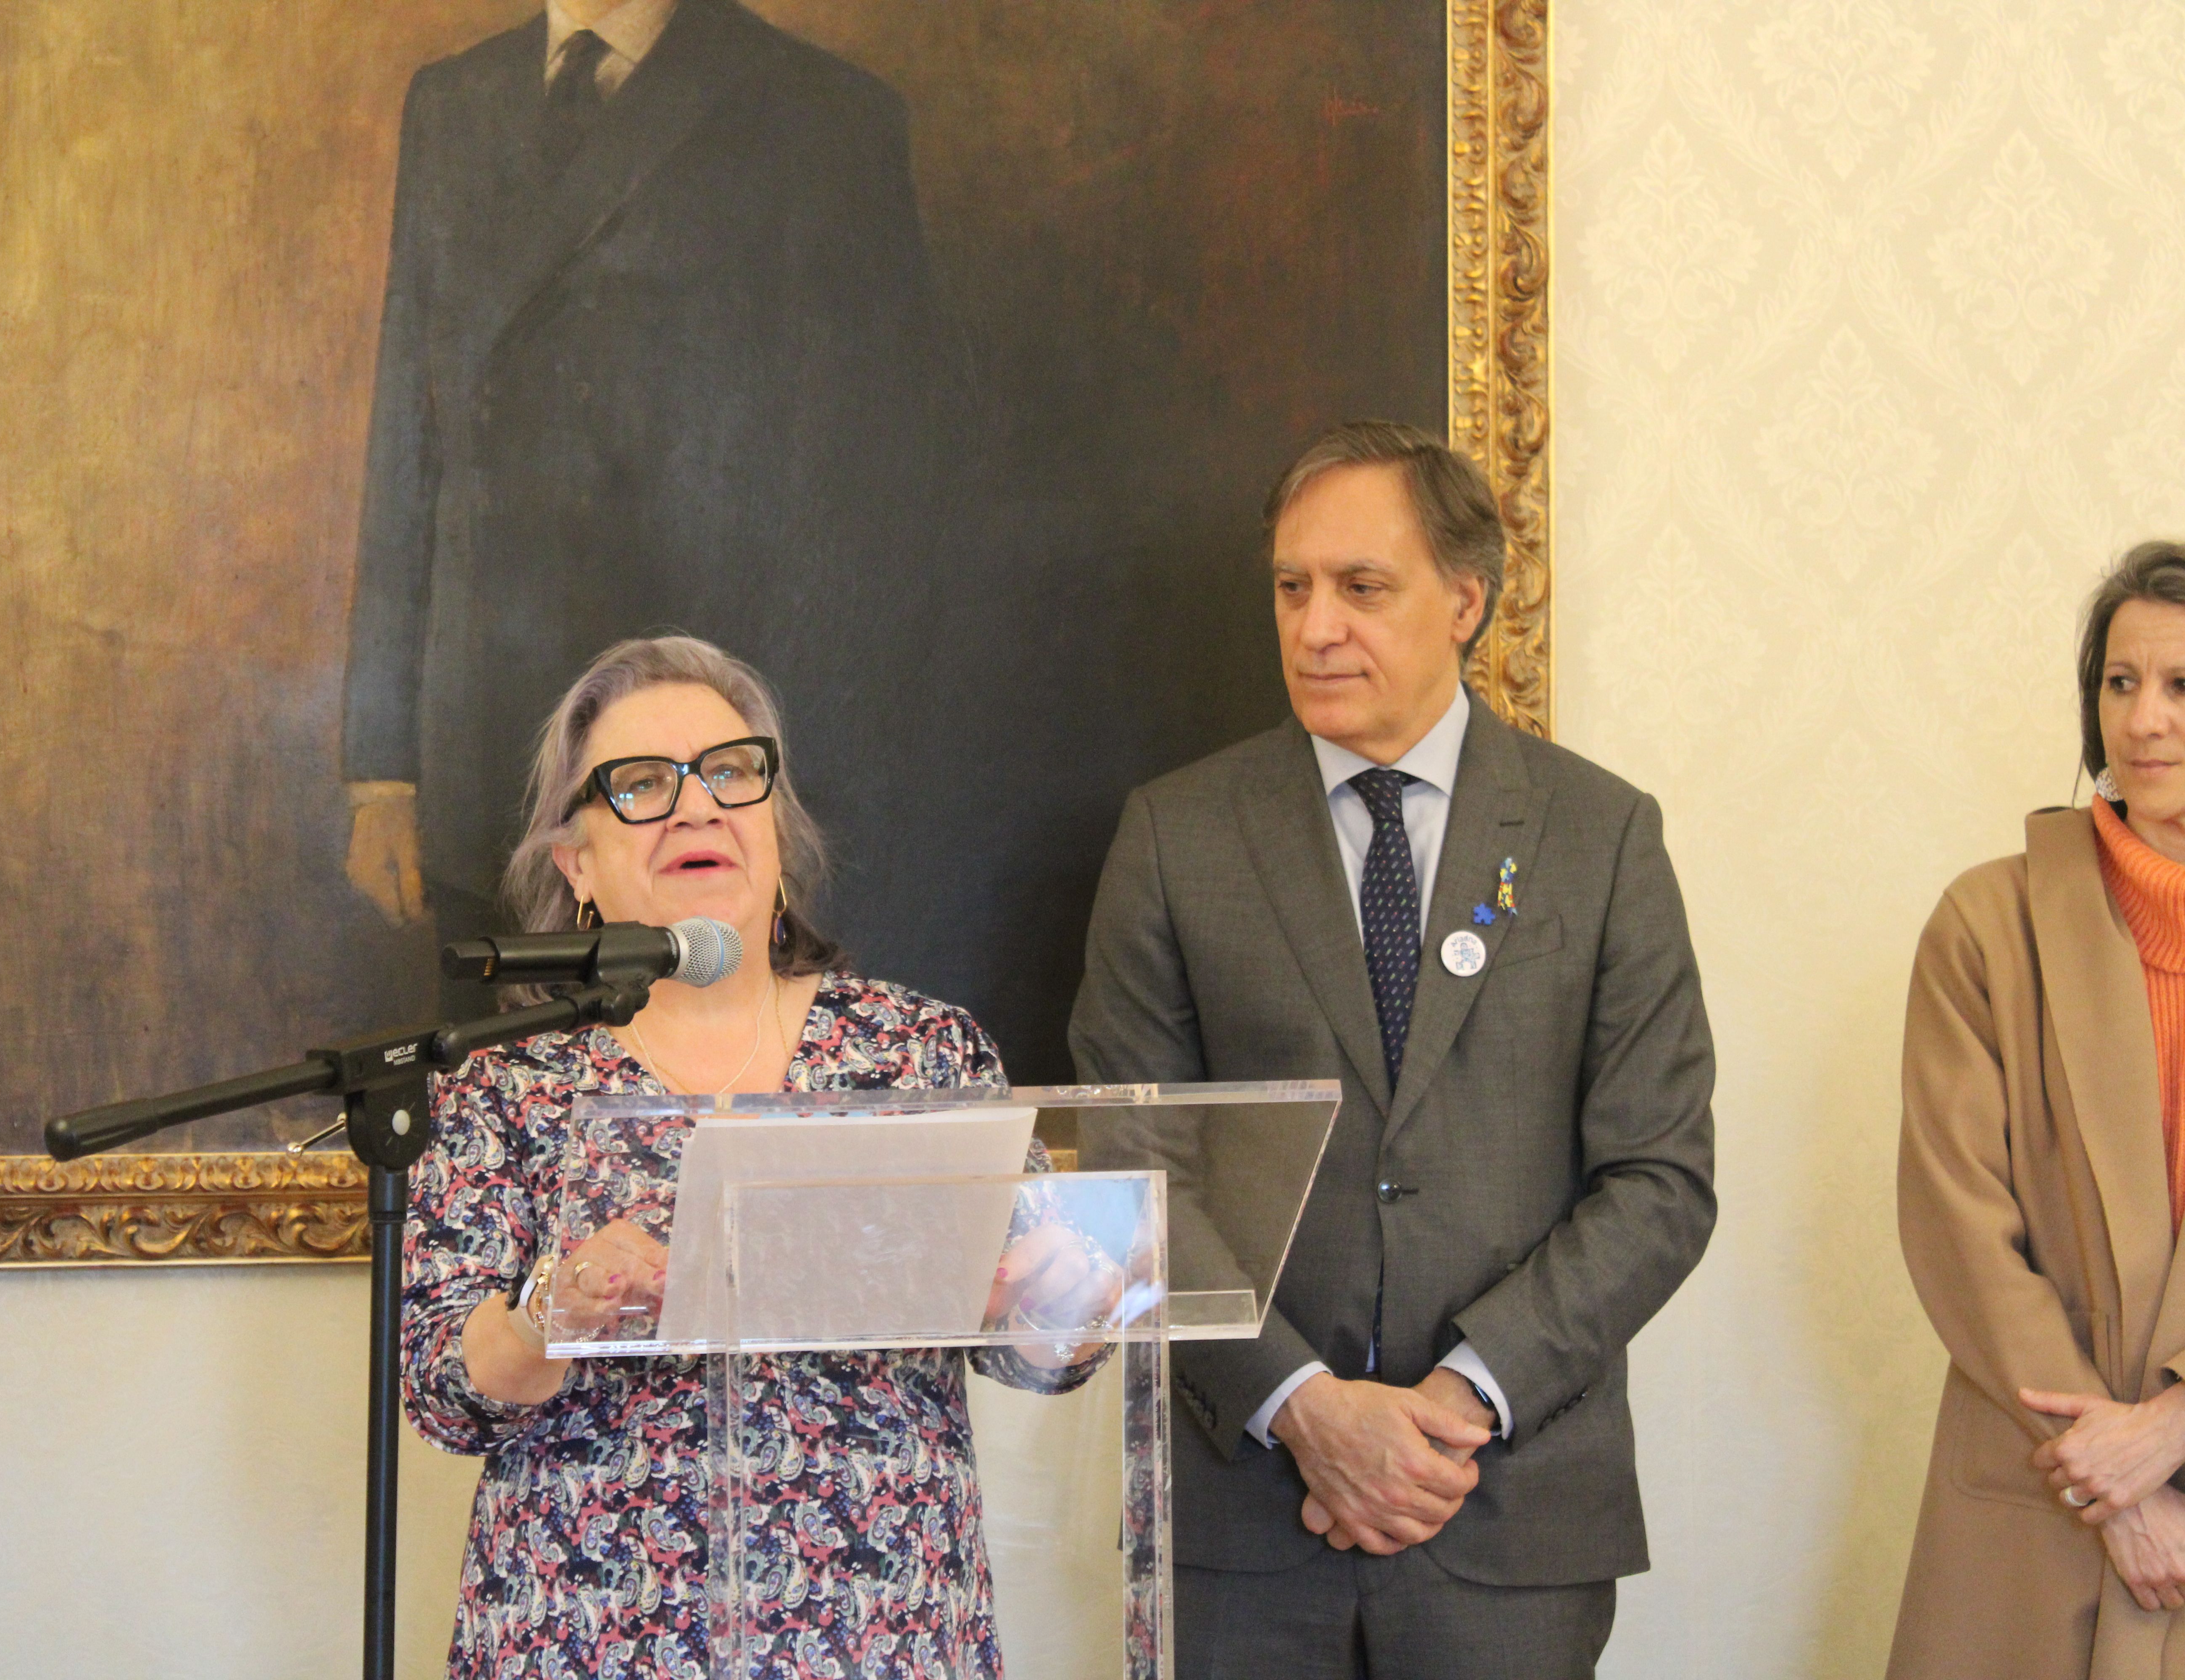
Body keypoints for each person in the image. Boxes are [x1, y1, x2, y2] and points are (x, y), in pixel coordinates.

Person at [1070, 420, 1717, 1677]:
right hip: (1247, 1516)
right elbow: (1128, 1160)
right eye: (1292, 588)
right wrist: (1303, 1408)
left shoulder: (1601, 835)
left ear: (1466, 600)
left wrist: (1460, 1401)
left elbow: (1660, 1180)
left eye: (1363, 589)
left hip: (1509, 1514)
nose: (1317, 628)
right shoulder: (1174, 836)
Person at [399, 635, 1115, 1679]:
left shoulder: (920, 1052)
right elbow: (443, 1390)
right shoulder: (503, 1089)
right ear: (578, 865)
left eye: (731, 772)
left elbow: (1030, 1347)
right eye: (641, 785)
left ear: (776, 829)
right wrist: (558, 1306)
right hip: (589, 1634)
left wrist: (1063, 1299)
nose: (697, 806)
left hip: (885, 1629)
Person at [339, 0, 953, 1023]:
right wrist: (382, 772)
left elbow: (870, 518)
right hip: (481, 743)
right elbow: (411, 434)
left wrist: (790, 811)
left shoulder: (827, 116)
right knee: (508, 1137)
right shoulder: (452, 101)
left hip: (705, 786)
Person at [1890, 541, 2185, 1679]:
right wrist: (2112, 1490)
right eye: (2120, 683)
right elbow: (1959, 1228)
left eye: (2179, 686)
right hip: (2033, 1502)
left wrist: (2169, 1433)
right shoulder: (1986, 923)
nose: (2145, 720)